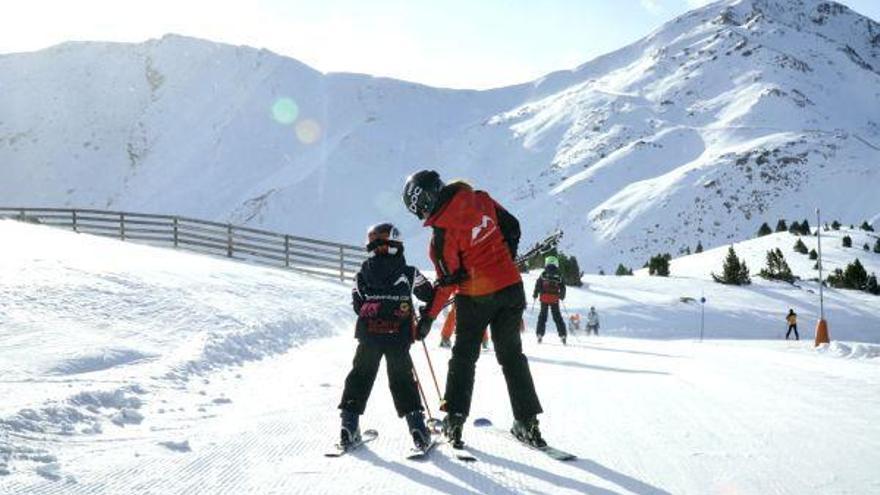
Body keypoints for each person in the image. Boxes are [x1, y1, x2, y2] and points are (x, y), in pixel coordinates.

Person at [402, 170, 546, 449]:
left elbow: (447, 283)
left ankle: (455, 423)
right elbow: (512, 226)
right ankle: (528, 423)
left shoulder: (441, 238)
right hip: (511, 289)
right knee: (512, 357)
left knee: (464, 358)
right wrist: (505, 258)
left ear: (423, 204)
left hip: (475, 298)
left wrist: (428, 319)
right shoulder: (481, 199)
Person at [337, 222, 435, 451]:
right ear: (397, 244)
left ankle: (349, 426)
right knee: (402, 381)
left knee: (360, 376)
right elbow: (429, 295)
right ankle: (418, 430)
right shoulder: (409, 273)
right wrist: (422, 316)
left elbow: (357, 305)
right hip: (398, 337)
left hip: (368, 337)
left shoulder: (361, 274)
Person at [533, 256, 567, 345]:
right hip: (554, 299)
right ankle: (563, 335)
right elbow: (563, 287)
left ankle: (540, 334)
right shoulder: (559, 274)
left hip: (544, 298)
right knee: (557, 317)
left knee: (542, 317)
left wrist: (535, 294)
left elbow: (538, 284)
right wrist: (561, 296)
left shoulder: (543, 274)